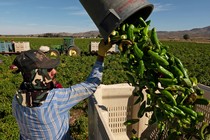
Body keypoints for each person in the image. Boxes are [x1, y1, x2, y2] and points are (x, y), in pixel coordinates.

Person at [12, 39, 112, 140]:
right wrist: (101, 55)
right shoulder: (56, 99)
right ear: (37, 74)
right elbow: (90, 85)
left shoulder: (16, 100)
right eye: (48, 69)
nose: (54, 71)